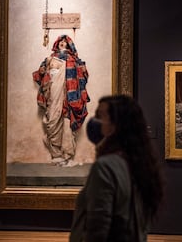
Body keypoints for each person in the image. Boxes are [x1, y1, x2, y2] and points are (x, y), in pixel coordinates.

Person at [70, 95, 164, 242]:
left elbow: (97, 228)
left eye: (100, 116)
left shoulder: (105, 167)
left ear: (117, 124)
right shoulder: (138, 162)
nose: (94, 121)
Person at [33, 34, 90, 167]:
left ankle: (68, 155)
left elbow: (83, 77)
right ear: (57, 44)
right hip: (53, 96)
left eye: (65, 42)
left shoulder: (74, 60)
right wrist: (43, 71)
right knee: (52, 121)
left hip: (69, 98)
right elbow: (40, 75)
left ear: (69, 45)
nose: (62, 43)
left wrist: (82, 69)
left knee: (68, 125)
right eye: (61, 42)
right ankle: (56, 155)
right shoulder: (49, 59)